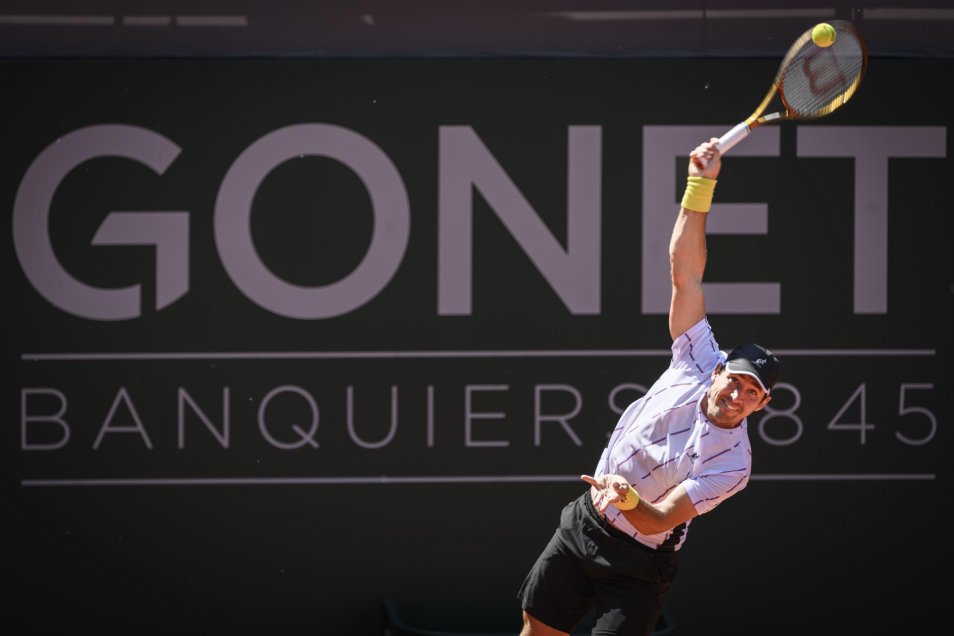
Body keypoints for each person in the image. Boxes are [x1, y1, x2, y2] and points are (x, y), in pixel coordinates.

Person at [517, 138, 781, 636]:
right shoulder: (697, 358)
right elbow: (686, 275)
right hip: (585, 524)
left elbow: (659, 519)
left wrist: (628, 499)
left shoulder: (733, 462)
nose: (738, 395)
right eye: (738, 381)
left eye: (753, 393)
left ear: (762, 404)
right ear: (720, 369)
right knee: (537, 631)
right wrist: (700, 185)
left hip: (640, 562)